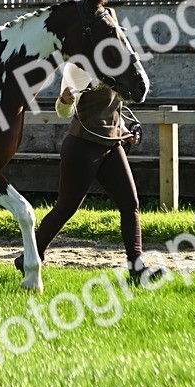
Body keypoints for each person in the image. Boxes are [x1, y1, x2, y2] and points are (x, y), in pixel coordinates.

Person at [16, 62, 153, 283]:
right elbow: (63, 112)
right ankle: (31, 255)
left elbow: (111, 111)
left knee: (130, 203)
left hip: (111, 146)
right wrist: (65, 101)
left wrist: (125, 131)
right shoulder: (78, 67)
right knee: (66, 208)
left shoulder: (117, 66)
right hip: (83, 146)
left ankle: (137, 269)